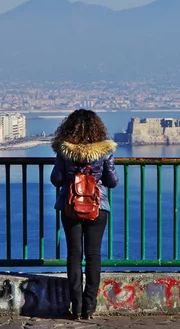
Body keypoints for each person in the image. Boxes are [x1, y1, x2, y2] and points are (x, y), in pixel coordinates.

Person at [50, 109, 119, 320]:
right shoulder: (105, 151)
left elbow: (56, 179)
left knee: (73, 256)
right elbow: (112, 181)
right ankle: (89, 307)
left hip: (70, 207)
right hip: (98, 207)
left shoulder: (65, 150)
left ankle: (76, 307)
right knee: (93, 255)